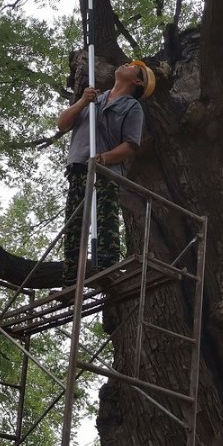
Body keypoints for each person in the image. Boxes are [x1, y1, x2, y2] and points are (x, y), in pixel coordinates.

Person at [57, 60, 155, 286]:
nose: (126, 64)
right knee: (74, 224)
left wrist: (103, 158)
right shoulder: (93, 99)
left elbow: (130, 145)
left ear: (137, 80)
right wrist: (82, 100)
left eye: (132, 67)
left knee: (105, 217)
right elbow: (62, 124)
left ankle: (107, 268)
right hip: (79, 168)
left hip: (105, 171)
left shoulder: (132, 107)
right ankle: (71, 278)